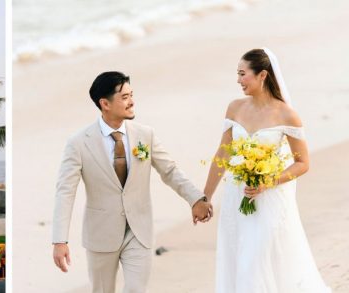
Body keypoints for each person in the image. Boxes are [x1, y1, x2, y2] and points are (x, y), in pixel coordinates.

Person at [52, 71, 211, 292]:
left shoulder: (146, 135)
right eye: (125, 97)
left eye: (131, 94)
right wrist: (60, 241)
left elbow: (170, 171)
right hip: (101, 235)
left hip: (139, 231)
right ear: (105, 103)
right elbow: (65, 192)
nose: (132, 102)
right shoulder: (78, 143)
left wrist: (196, 198)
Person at [203, 48, 329, 292]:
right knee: (237, 257)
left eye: (243, 74)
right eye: (237, 74)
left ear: (262, 75)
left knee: (257, 258)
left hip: (269, 199)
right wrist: (205, 197)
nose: (238, 80)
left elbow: (303, 163)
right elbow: (223, 153)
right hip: (237, 196)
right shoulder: (235, 108)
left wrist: (268, 181)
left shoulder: (287, 114)